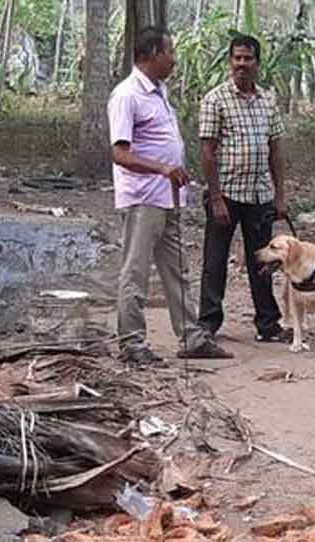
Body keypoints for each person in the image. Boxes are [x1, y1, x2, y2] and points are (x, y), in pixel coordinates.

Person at [108, 26, 233, 364]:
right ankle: (132, 344)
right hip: (143, 198)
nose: (175, 60)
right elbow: (120, 153)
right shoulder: (126, 95)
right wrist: (162, 169)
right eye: (170, 53)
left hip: (170, 197)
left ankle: (191, 337)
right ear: (151, 55)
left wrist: (173, 169)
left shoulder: (159, 92)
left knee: (177, 270)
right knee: (135, 271)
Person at [197, 34, 290, 343]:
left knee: (262, 261)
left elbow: (275, 149)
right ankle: (208, 323)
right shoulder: (215, 99)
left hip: (260, 194)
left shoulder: (268, 100)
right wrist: (216, 197)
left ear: (257, 63)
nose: (241, 64)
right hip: (227, 193)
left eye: (247, 58)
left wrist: (279, 195)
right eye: (237, 58)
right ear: (230, 61)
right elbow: (207, 152)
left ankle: (268, 324)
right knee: (215, 261)